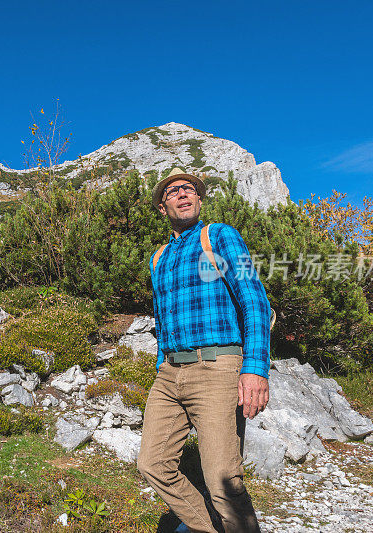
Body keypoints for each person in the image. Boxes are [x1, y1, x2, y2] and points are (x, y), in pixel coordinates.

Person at [136, 168, 271, 532]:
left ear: (198, 199)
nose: (183, 193)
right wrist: (163, 363)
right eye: (173, 191)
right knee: (152, 464)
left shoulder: (220, 236)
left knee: (224, 482)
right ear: (163, 208)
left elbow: (254, 299)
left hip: (217, 368)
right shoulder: (158, 257)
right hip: (169, 374)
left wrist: (255, 367)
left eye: (189, 188)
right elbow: (163, 321)